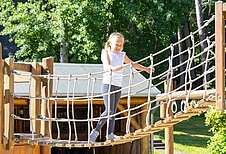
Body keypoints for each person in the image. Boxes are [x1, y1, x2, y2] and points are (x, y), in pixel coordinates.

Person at [89, 32, 154, 143]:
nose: (119, 47)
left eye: (121, 45)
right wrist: (115, 68)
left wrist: (146, 69)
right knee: (109, 110)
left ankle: (109, 134)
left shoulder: (122, 55)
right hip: (108, 85)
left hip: (118, 86)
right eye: (116, 44)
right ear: (110, 43)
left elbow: (132, 64)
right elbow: (107, 66)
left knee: (113, 111)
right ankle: (95, 131)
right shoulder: (106, 53)